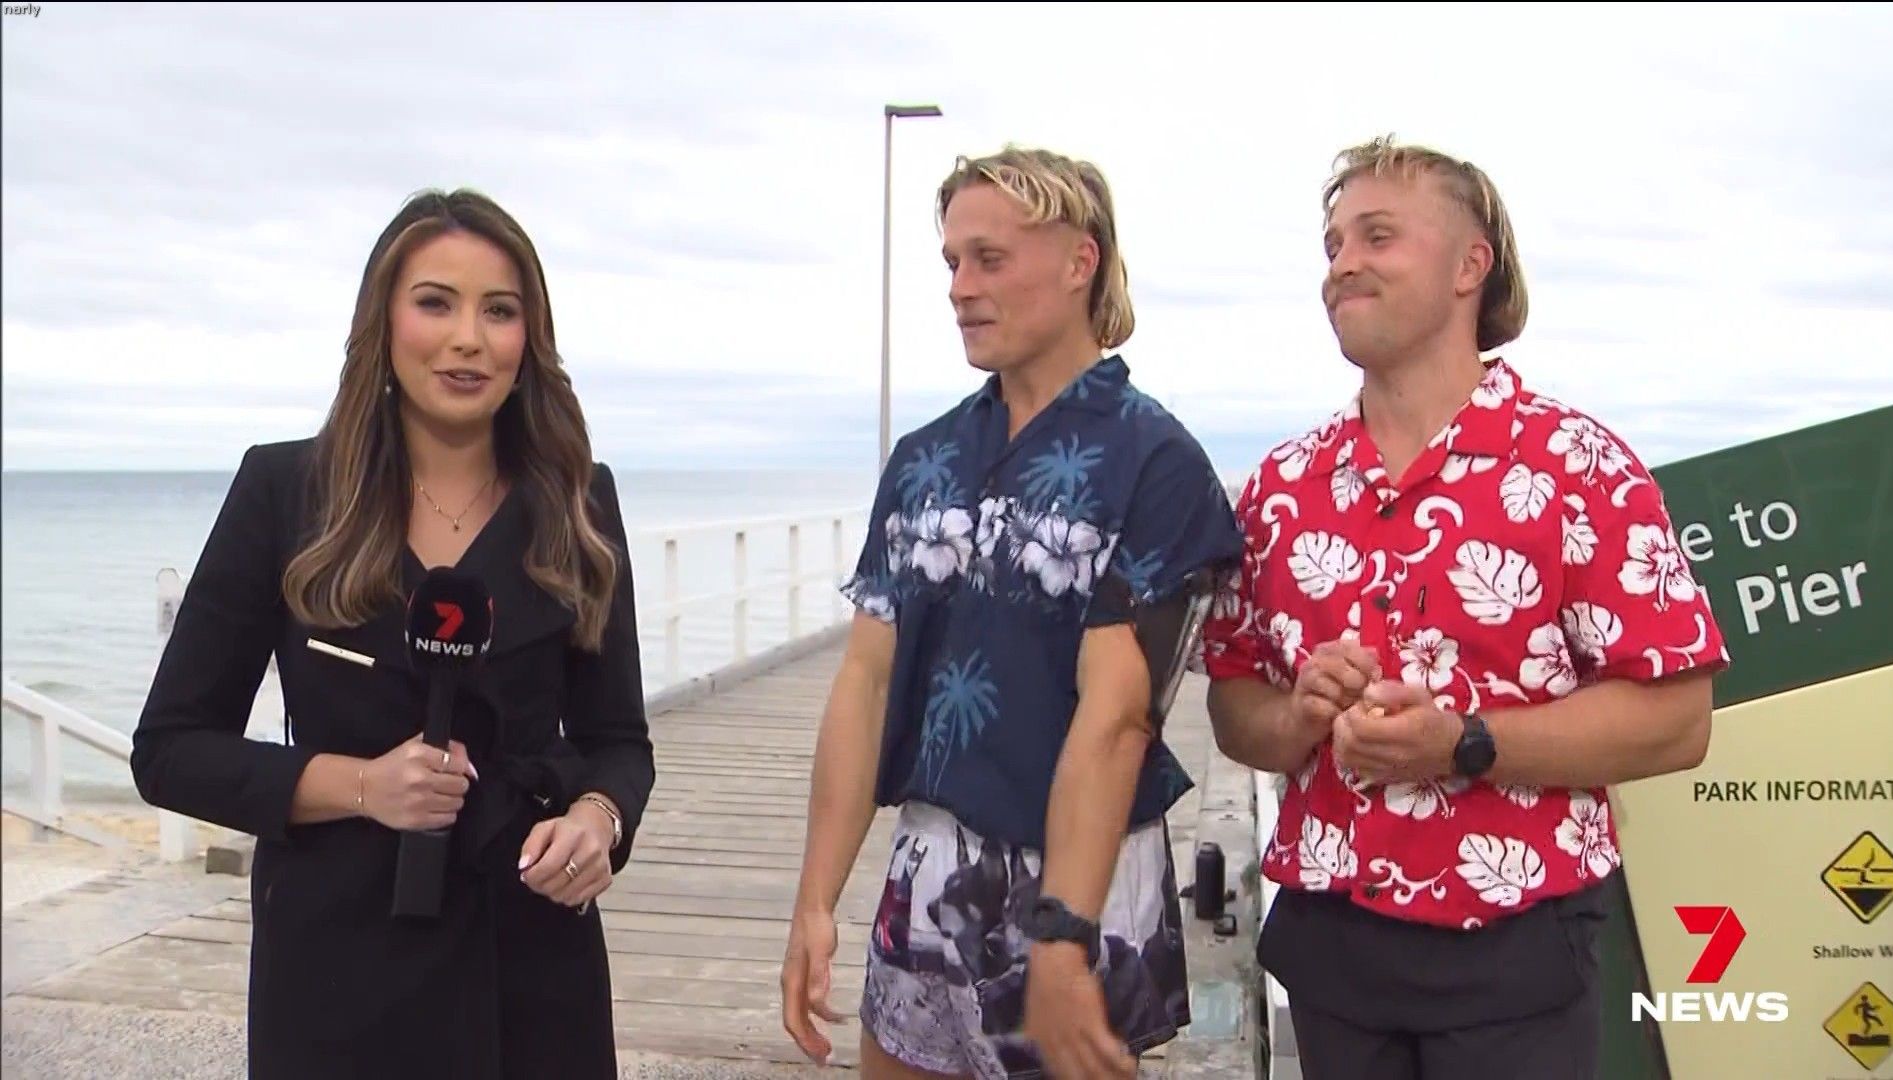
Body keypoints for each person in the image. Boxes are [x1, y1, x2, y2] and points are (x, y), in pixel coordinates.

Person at [1199, 135, 1732, 1080]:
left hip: (1516, 956)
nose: (1342, 264)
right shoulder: (1282, 487)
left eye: (1377, 237)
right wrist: (1298, 714)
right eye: (1333, 245)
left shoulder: (1578, 467)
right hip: (1332, 949)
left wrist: (1463, 743)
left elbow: (1678, 721)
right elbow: (1234, 706)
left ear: (1469, 266)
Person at [129, 188, 656, 1080]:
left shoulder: (578, 502)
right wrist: (365, 786)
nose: (468, 339)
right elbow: (170, 750)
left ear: (529, 338)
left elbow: (619, 742)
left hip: (532, 965)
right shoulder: (285, 493)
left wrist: (597, 821)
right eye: (435, 303)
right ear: (384, 321)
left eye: (499, 311)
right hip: (339, 966)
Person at [779, 146, 1243, 1079]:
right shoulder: (925, 459)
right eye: (953, 262)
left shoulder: (1155, 462)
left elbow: (1118, 717)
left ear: (1080, 262)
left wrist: (1065, 937)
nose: (961, 287)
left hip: (1079, 881)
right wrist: (815, 899)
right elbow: (865, 681)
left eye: (990, 259)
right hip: (929, 865)